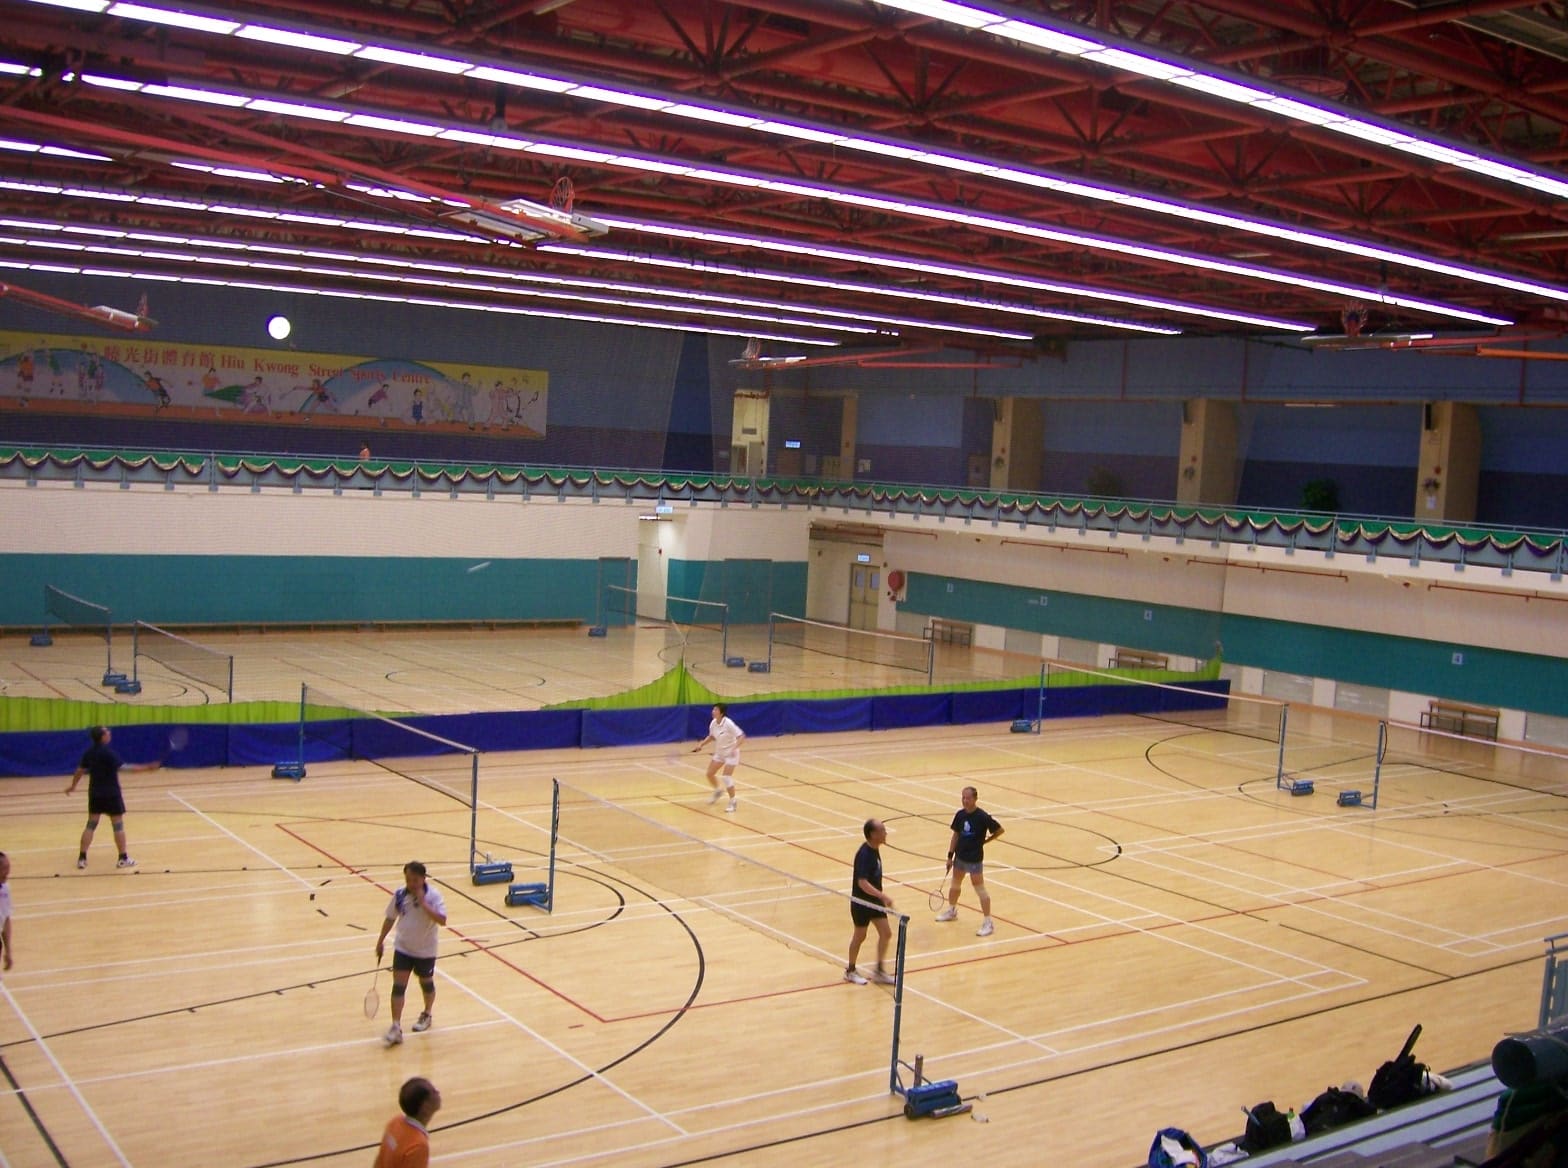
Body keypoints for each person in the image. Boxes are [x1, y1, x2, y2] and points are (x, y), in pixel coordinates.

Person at [65, 726, 160, 869]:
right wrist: (147, 768)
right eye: (107, 732)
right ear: (102, 736)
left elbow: (80, 770)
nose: (109, 733)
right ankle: (123, 859)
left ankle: (82, 858)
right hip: (111, 794)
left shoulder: (89, 752)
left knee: (91, 825)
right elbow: (125, 768)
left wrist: (73, 786)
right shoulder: (108, 753)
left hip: (95, 793)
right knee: (118, 826)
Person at [374, 861, 447, 1046]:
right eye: (408, 880)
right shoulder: (400, 894)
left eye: (415, 880)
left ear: (423, 878)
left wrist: (423, 903)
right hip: (403, 948)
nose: (411, 884)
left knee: (426, 983)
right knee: (399, 986)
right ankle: (396, 1026)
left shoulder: (434, 896)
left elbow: (442, 920)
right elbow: (390, 918)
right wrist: (380, 941)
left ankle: (427, 1013)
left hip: (425, 950)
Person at [936, 785, 1004, 936]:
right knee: (955, 885)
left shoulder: (982, 816)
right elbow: (955, 836)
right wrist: (950, 857)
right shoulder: (960, 815)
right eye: (963, 798)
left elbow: (999, 830)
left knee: (980, 889)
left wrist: (986, 841)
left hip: (974, 859)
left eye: (968, 798)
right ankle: (952, 910)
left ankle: (988, 922)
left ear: (975, 799)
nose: (965, 801)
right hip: (960, 857)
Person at [845, 818, 896, 985]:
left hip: (874, 902)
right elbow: (862, 883)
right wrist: (883, 896)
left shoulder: (874, 850)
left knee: (886, 933)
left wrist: (879, 898)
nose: (885, 833)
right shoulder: (865, 854)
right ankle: (850, 971)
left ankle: (879, 972)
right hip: (862, 903)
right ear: (873, 834)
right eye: (882, 830)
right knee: (860, 936)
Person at [374, 1076, 441, 1168]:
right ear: (425, 1106)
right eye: (433, 1092)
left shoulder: (395, 1122)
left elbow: (379, 1160)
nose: (438, 1092)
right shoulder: (418, 1145)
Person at [692, 702, 744, 812]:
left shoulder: (728, 723)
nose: (713, 711)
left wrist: (734, 748)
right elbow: (712, 736)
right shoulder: (713, 723)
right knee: (709, 774)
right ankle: (718, 791)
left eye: (716, 710)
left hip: (731, 754)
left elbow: (741, 736)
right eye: (713, 709)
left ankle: (733, 802)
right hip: (720, 753)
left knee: (726, 777)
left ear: (722, 713)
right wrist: (701, 744)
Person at [0, 851, 12, 972]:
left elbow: (6, 919)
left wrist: (8, 951)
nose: (8, 872)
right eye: (4, 868)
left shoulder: (5, 889)